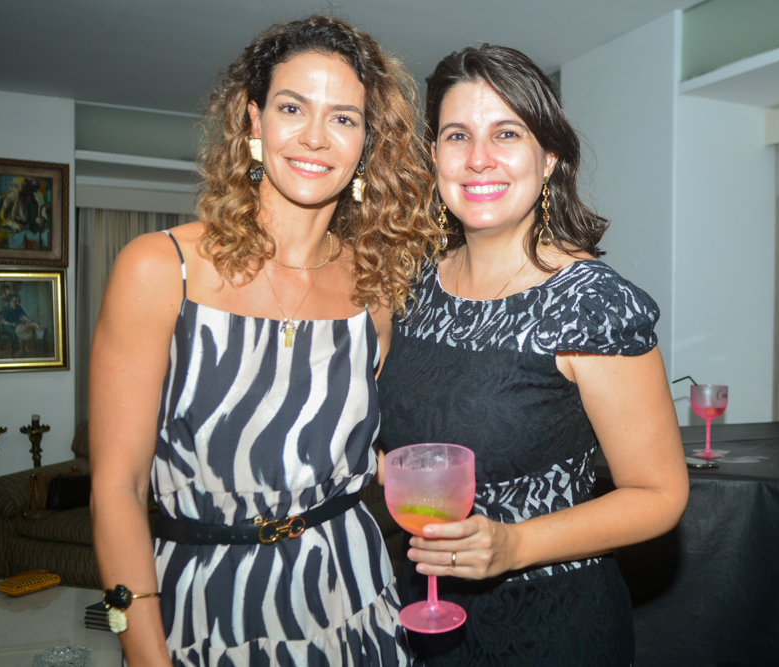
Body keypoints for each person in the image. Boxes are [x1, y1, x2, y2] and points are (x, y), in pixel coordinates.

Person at [89, 16, 438, 666]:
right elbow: (117, 488)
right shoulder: (161, 269)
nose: (315, 136)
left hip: (354, 600)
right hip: (207, 606)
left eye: (343, 118)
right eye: (292, 107)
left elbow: (371, 453)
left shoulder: (377, 289)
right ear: (254, 121)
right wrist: (144, 654)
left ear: (367, 142)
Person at [376, 45, 689, 666]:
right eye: (457, 135)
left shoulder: (592, 303)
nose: (478, 157)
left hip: (550, 623)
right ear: (434, 156)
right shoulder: (407, 285)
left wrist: (513, 545)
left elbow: (658, 494)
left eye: (507, 133)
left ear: (548, 158)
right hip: (420, 608)